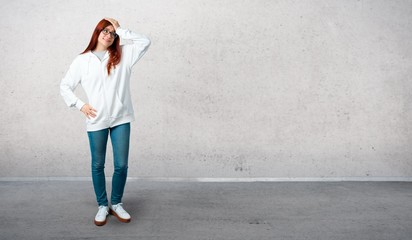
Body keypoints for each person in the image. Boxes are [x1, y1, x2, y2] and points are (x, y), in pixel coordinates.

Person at [60, 18, 151, 226]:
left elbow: (145, 41)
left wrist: (121, 29)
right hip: (96, 119)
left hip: (121, 117)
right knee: (97, 164)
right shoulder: (82, 60)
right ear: (97, 32)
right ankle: (103, 205)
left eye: (112, 33)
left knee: (121, 165)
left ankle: (116, 203)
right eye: (105, 30)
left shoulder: (124, 55)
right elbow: (65, 86)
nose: (108, 35)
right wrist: (80, 104)